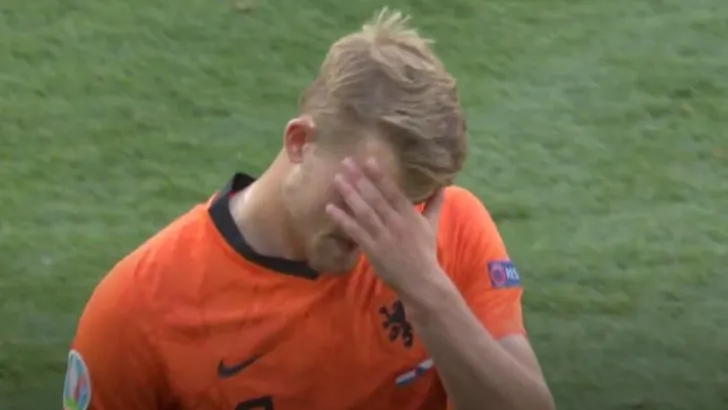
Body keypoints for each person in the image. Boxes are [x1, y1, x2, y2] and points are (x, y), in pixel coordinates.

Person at [63, 8, 555, 410]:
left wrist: (428, 294)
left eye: (404, 205)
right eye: (365, 195)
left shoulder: (445, 231)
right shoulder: (137, 311)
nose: (377, 233)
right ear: (300, 142)